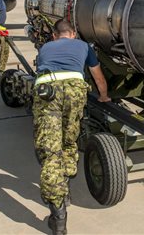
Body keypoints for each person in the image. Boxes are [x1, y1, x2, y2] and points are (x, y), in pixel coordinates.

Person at [33, 19, 110, 235]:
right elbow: (97, 75)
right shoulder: (84, 46)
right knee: (69, 141)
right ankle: (63, 188)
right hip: (76, 91)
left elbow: (42, 69)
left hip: (48, 91)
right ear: (73, 33)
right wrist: (104, 96)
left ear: (55, 36)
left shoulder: (45, 47)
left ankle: (58, 216)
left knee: (50, 151)